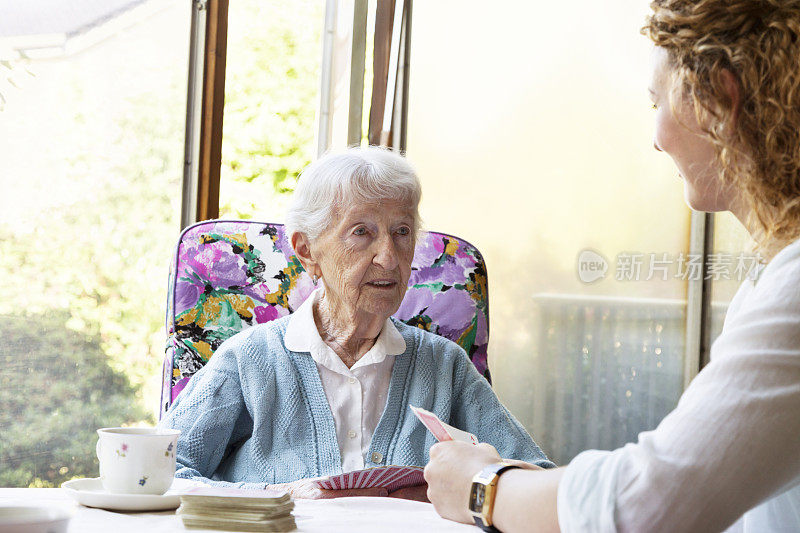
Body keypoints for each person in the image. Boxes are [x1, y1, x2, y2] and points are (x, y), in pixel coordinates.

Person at [424, 0, 800, 531]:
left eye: (657, 105)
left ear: (719, 100)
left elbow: (653, 500)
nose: (655, 137)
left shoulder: (793, 290)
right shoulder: (770, 282)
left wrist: (485, 488)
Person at [160, 146, 554, 499]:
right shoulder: (248, 361)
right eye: (361, 232)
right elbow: (156, 476)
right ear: (306, 249)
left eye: (402, 232)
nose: (388, 257)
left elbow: (536, 480)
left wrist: (465, 491)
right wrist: (285, 495)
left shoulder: (444, 365)